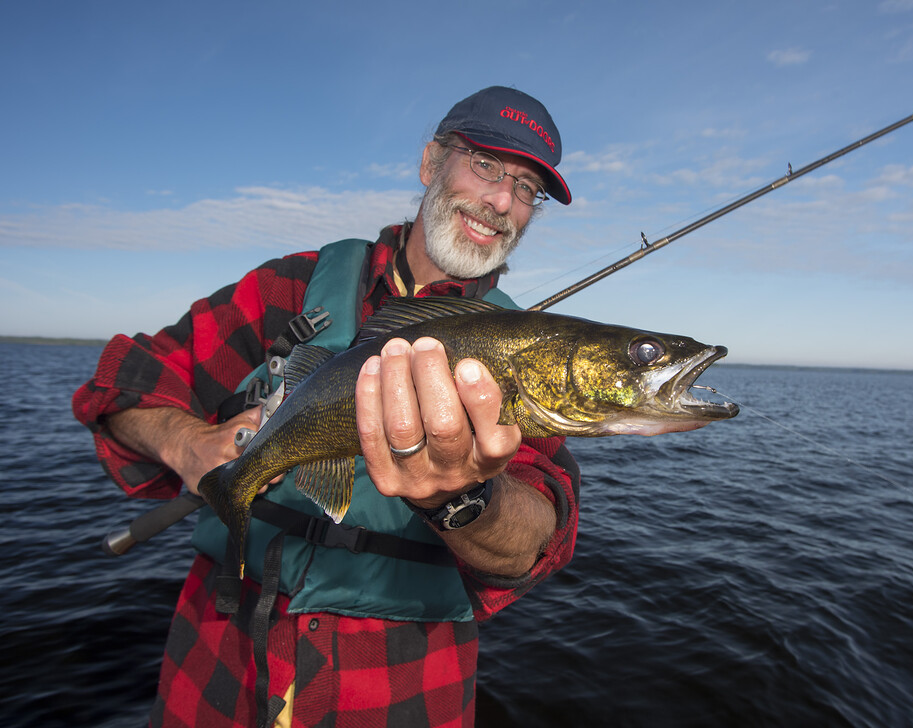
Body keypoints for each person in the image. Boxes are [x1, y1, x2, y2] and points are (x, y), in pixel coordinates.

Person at [72, 86, 580, 728]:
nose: (503, 201)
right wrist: (185, 444)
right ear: (430, 163)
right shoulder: (291, 287)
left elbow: (542, 536)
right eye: (486, 165)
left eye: (528, 188)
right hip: (215, 673)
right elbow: (123, 379)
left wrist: (465, 498)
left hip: (400, 691)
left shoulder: (525, 354)